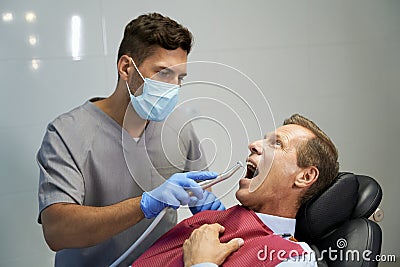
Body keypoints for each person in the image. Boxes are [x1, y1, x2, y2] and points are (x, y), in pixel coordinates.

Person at [36, 13, 224, 266]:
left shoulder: (178, 127)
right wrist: (145, 204)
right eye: (163, 74)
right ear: (126, 68)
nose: (173, 87)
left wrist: (210, 214)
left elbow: (201, 201)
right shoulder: (67, 133)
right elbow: (57, 231)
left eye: (179, 78)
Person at [132, 114, 339, 266]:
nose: (253, 145)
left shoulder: (293, 259)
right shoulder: (213, 220)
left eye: (276, 144)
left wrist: (202, 263)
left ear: (305, 177)